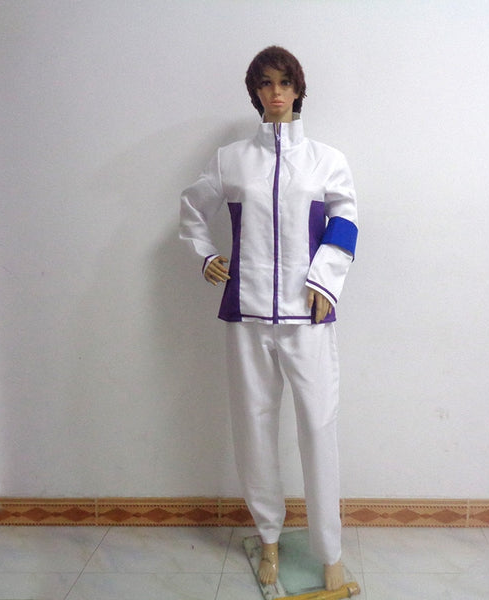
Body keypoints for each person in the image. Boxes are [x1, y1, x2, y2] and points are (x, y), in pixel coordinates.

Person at [179, 46, 358, 592]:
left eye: (284, 82)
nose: (275, 92)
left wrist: (325, 280)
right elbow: (192, 208)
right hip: (248, 314)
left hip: (308, 317)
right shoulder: (231, 160)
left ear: (298, 89)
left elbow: (346, 218)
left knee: (318, 428)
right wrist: (205, 255)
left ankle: (330, 552)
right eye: (265, 83)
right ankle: (270, 540)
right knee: (254, 427)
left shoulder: (326, 160)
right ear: (255, 92)